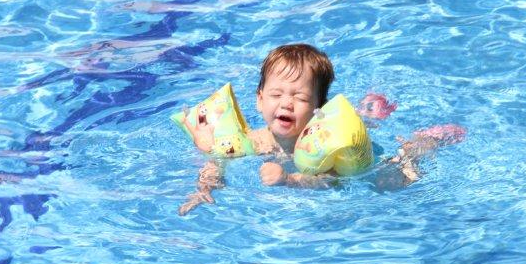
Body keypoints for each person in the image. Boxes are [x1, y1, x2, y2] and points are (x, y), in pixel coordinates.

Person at [178, 44, 465, 215]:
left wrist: (290, 179)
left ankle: (424, 142)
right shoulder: (255, 141)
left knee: (395, 181)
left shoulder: (323, 140)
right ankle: (367, 110)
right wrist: (205, 186)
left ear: (319, 107)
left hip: (358, 153)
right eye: (276, 95)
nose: (286, 104)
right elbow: (217, 160)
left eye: (300, 98)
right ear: (259, 100)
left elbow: (332, 180)